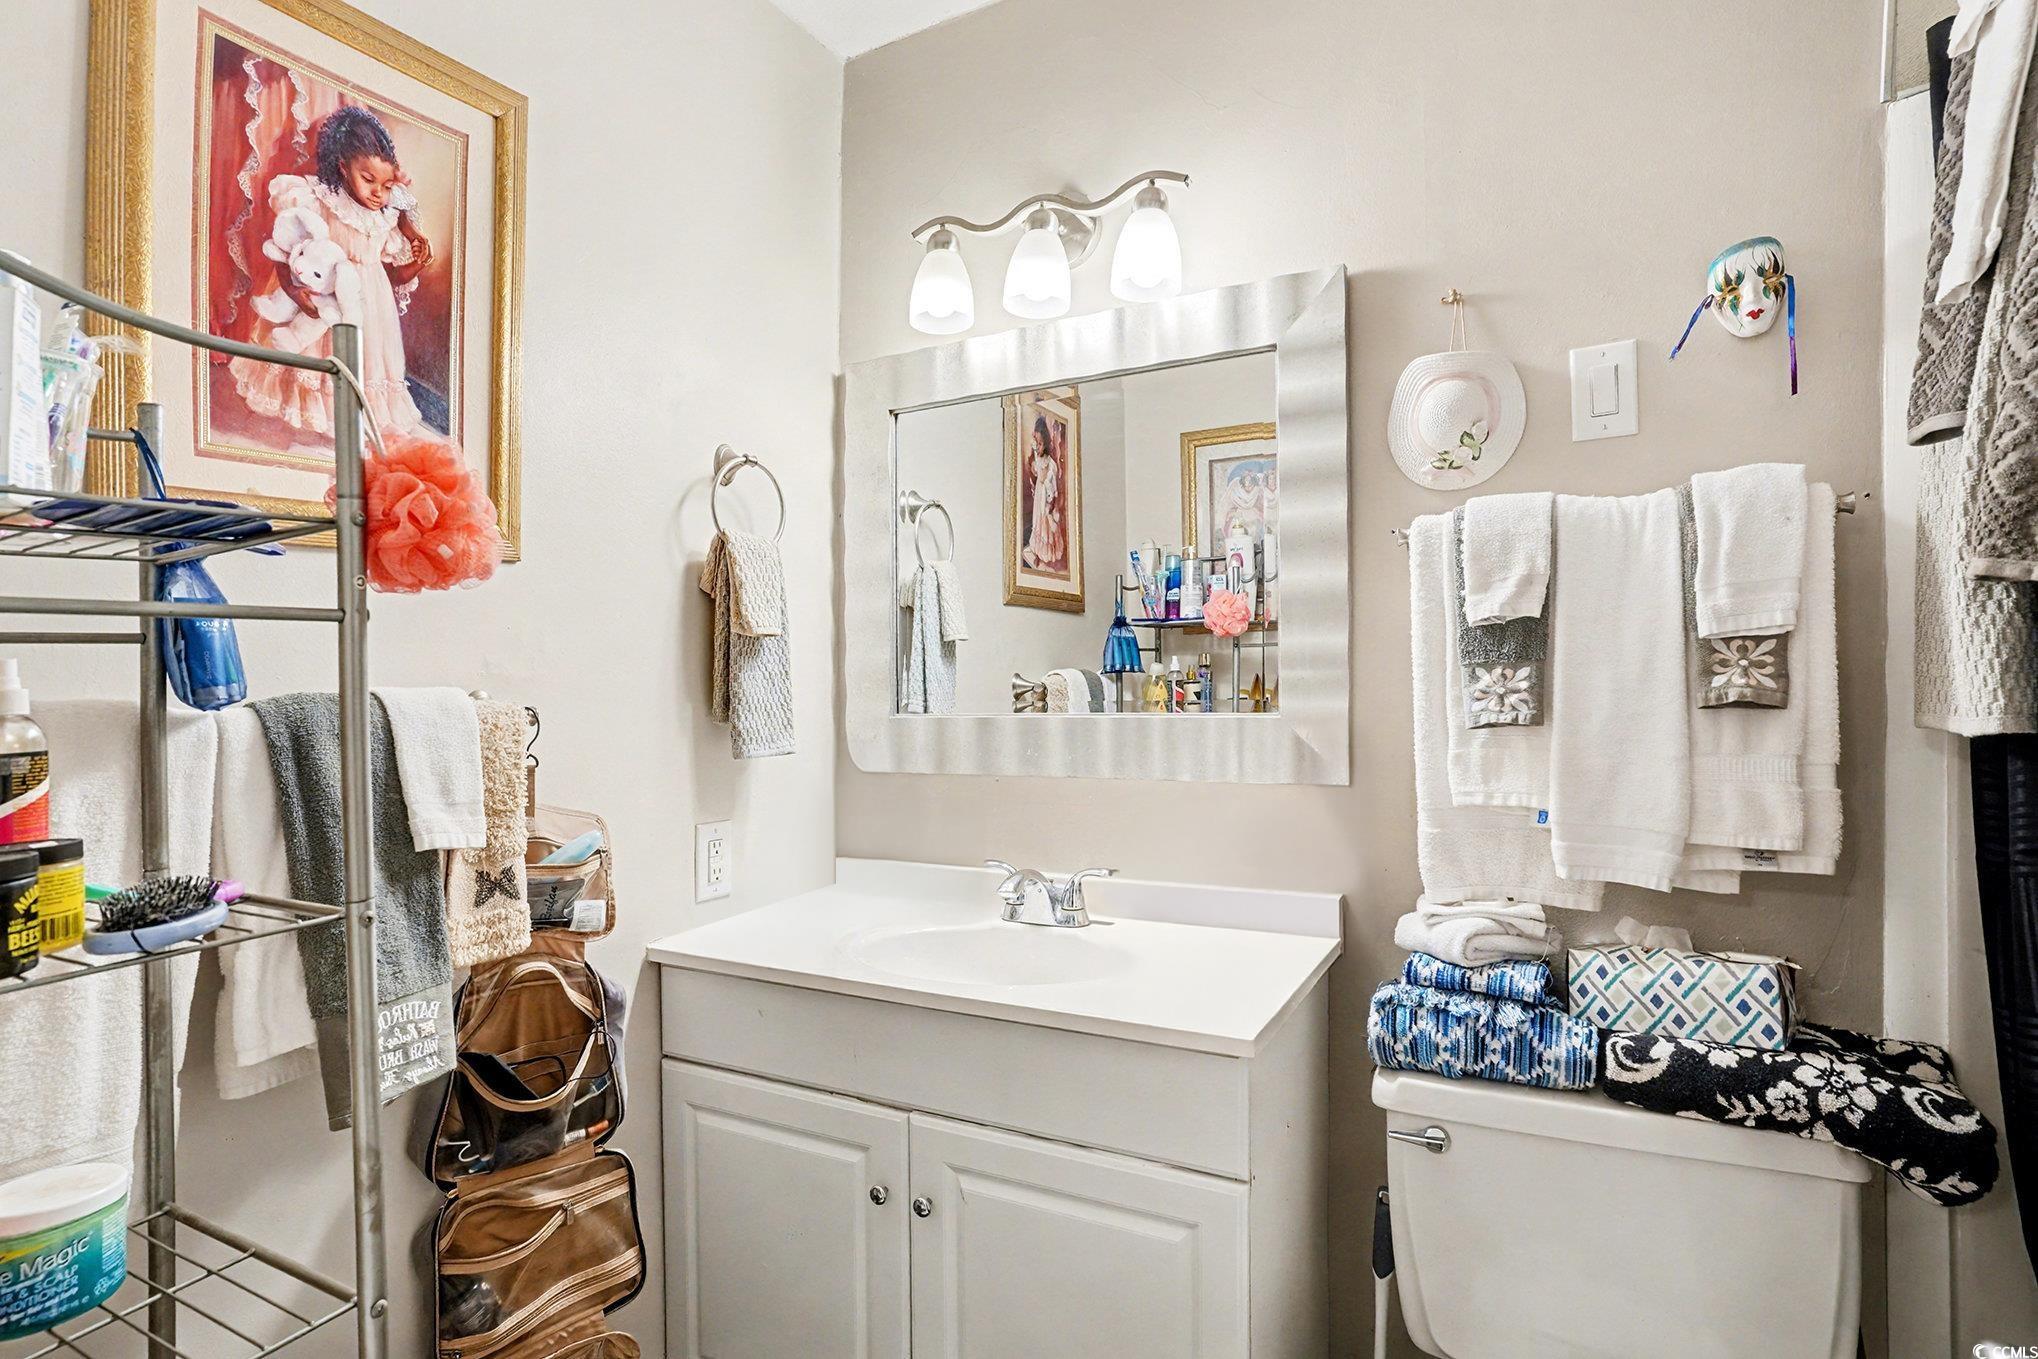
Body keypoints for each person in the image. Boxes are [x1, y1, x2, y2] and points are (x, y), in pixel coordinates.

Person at [229, 104, 432, 438]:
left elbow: (391, 279)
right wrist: (294, 291)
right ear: (343, 167)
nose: (377, 193)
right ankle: (307, 420)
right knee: (317, 358)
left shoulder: (385, 218)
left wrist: (418, 262)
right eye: (368, 180)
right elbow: (288, 253)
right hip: (322, 300)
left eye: (386, 185)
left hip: (369, 314)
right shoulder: (319, 200)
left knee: (362, 369)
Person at [1021, 414, 1065, 571]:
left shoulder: (1050, 462)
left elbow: (1052, 484)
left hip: (1045, 495)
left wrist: (1050, 498)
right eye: (1037, 443)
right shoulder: (1037, 459)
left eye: (1040, 444)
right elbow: (1035, 471)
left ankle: (1046, 551)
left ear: (1046, 443)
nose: (1038, 447)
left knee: (1046, 521)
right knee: (1038, 520)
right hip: (1039, 494)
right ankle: (1038, 549)